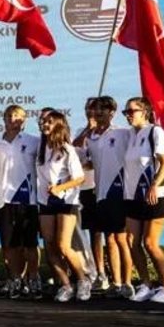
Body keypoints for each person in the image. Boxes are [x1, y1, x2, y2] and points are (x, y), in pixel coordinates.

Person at [123, 97, 164, 303]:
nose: (128, 115)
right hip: (133, 196)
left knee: (150, 242)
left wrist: (154, 185)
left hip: (156, 194)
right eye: (126, 112)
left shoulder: (156, 132)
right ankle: (146, 284)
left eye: (132, 111)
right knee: (131, 240)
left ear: (144, 112)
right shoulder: (130, 135)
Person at [0, 105, 41, 299]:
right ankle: (15, 279)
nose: (12, 119)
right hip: (4, 201)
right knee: (9, 245)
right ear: (4, 119)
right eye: (9, 115)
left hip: (28, 200)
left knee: (30, 244)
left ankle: (33, 279)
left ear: (24, 120)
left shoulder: (34, 141)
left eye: (17, 116)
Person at [36, 111, 90, 302]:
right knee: (50, 245)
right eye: (43, 121)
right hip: (45, 202)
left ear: (59, 125)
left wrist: (59, 188)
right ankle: (66, 285)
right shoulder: (41, 147)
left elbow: (79, 178)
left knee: (63, 246)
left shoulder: (67, 149)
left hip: (66, 201)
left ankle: (83, 280)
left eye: (49, 122)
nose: (44, 124)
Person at [86, 96, 133, 298]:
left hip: (118, 192)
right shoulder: (91, 137)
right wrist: (88, 130)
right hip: (101, 194)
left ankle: (128, 283)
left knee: (121, 239)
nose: (98, 113)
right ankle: (116, 282)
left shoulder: (122, 133)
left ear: (112, 112)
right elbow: (83, 158)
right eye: (95, 109)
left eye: (102, 110)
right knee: (110, 240)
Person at [72, 97, 108, 291]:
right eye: (88, 109)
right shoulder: (81, 131)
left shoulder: (108, 133)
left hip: (97, 187)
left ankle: (101, 272)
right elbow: (74, 148)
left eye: (94, 109)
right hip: (80, 188)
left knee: (97, 233)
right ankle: (84, 271)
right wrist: (88, 129)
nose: (91, 112)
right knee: (78, 233)